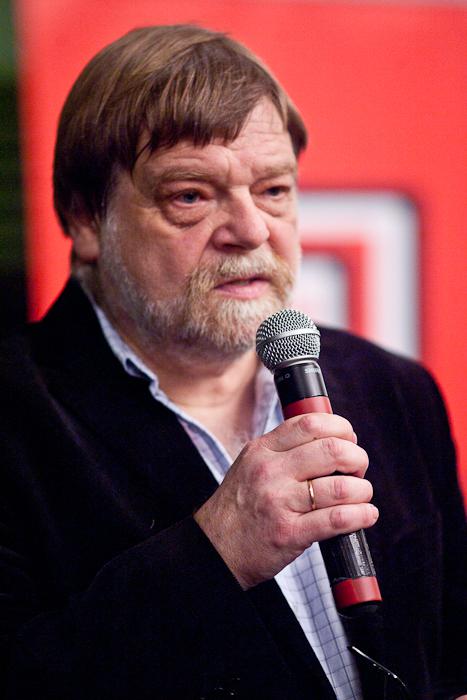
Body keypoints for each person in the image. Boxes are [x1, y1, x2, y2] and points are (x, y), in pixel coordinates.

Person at [0, 24, 465, 700]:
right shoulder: (15, 419)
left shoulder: (390, 387)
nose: (250, 230)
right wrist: (213, 553)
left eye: (273, 190)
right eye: (190, 195)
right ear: (85, 220)